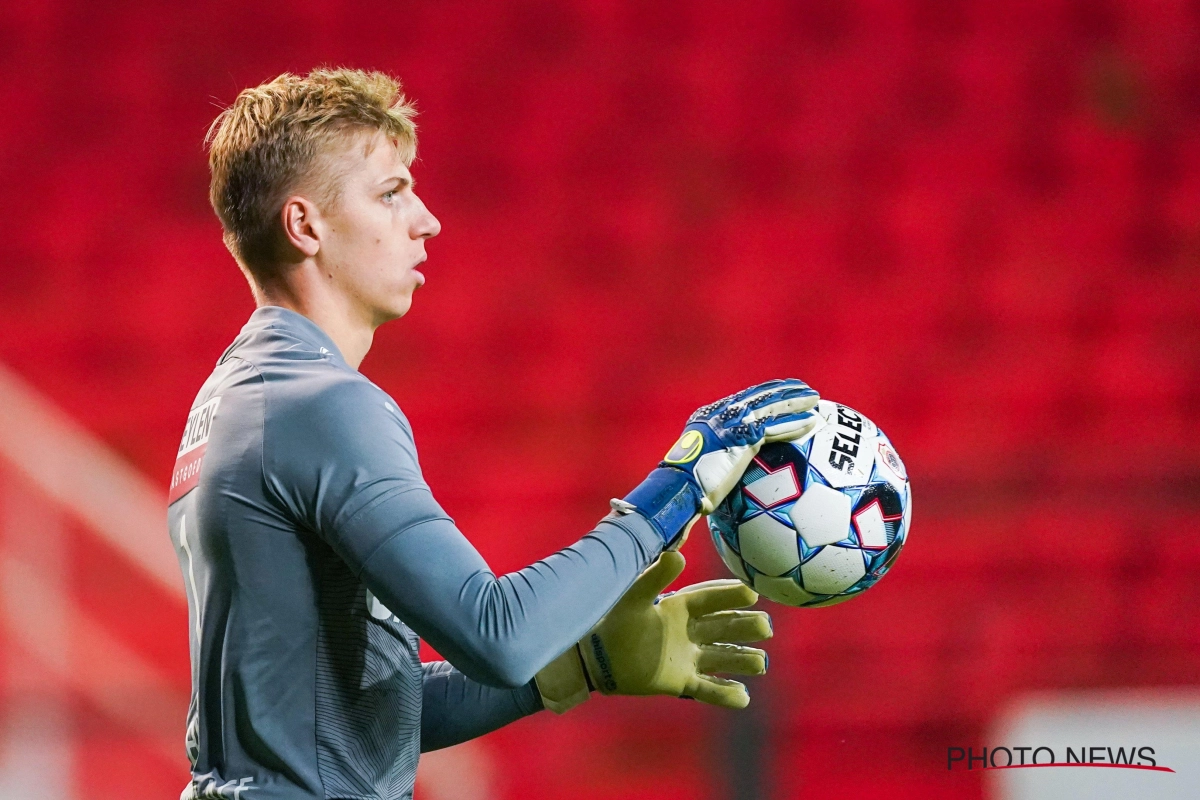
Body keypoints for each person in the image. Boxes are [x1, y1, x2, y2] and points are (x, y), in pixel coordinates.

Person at [169, 67, 822, 800]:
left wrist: (585, 663)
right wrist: (679, 486)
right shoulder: (319, 405)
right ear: (306, 226)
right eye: (390, 193)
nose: (425, 220)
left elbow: (339, 723)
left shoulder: (236, 397)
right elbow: (497, 634)